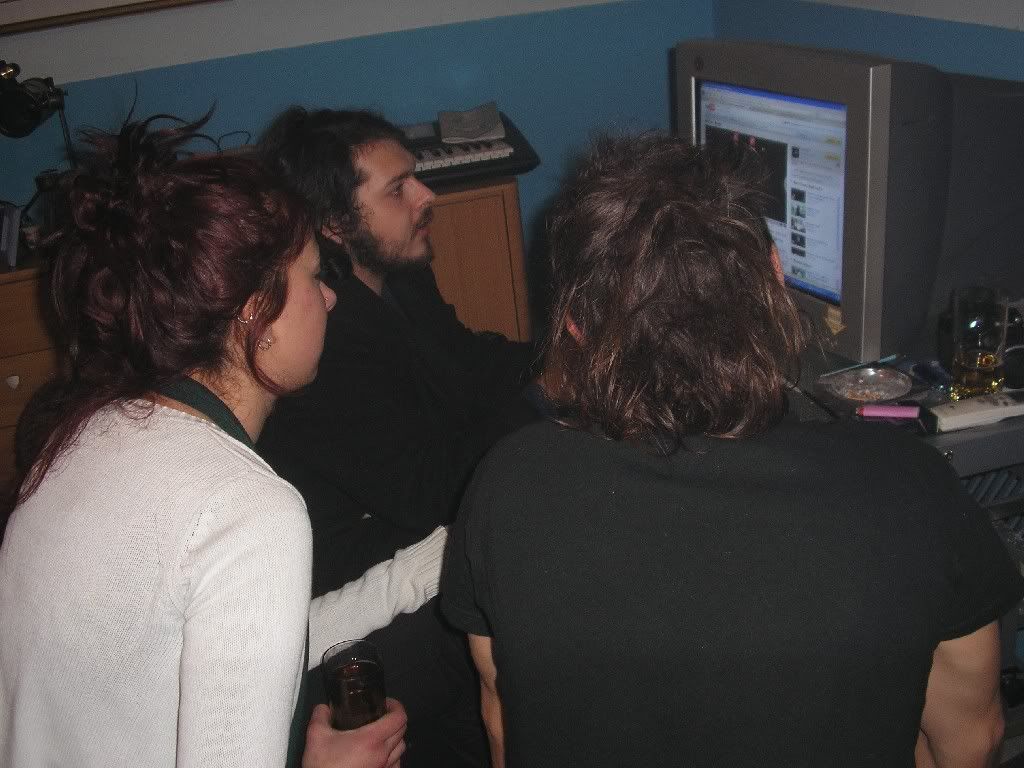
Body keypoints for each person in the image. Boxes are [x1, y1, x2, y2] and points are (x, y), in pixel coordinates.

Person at [440, 133, 1024, 768]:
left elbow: (504, 721)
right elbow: (973, 739)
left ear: (575, 326)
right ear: (775, 277)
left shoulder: (511, 483)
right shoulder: (908, 485)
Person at [0, 114, 440, 768]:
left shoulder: (85, 434)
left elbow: (230, 641)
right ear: (255, 315)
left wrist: (420, 571)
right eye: (314, 277)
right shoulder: (246, 508)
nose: (329, 299)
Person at [256, 108, 542, 766]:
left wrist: (564, 363)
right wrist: (542, 400)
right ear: (335, 225)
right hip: (349, 606)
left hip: (409, 536)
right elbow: (428, 490)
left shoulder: (399, 272)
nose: (425, 197)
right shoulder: (321, 339)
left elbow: (466, 363)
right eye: (397, 189)